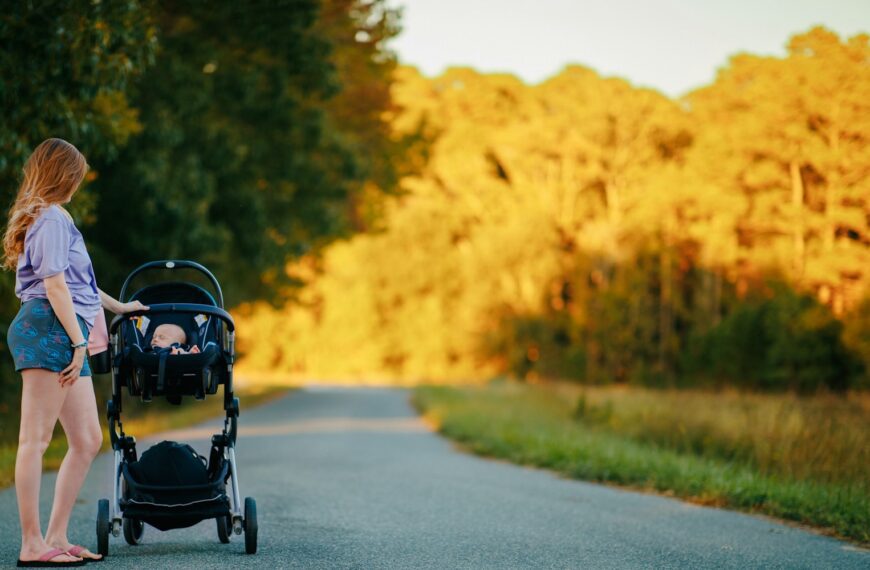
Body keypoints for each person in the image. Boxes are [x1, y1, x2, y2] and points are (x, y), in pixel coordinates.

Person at [3, 139, 148, 566]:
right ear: (63, 175)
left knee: (86, 439)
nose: (79, 182)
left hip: (63, 330)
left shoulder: (55, 218)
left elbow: (77, 284)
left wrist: (120, 307)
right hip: (49, 329)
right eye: (77, 175)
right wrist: (80, 341)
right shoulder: (50, 219)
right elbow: (53, 286)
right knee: (35, 439)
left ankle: (57, 535)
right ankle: (31, 545)